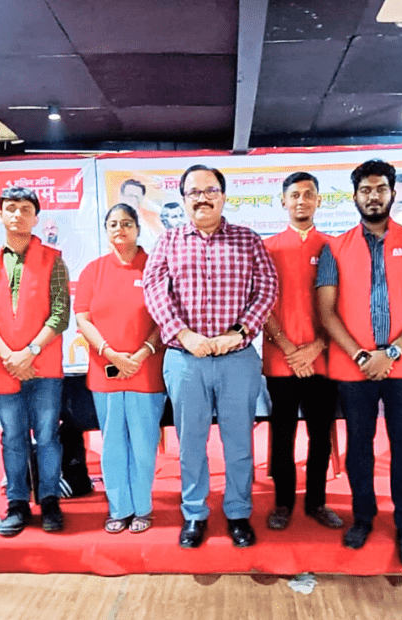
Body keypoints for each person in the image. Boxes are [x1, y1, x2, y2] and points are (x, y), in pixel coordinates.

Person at [142, 164, 278, 549]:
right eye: (194, 192)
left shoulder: (248, 241)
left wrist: (236, 334)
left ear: (223, 195)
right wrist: (184, 334)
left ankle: (237, 512)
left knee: (238, 442)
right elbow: (154, 291)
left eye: (210, 190)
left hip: (237, 358)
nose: (202, 198)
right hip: (185, 359)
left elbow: (267, 289)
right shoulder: (167, 242)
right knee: (191, 442)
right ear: (184, 199)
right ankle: (195, 513)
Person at [316, 159, 402, 569]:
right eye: (366, 190)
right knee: (359, 449)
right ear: (354, 197)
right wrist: (361, 355)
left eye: (380, 189)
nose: (373, 196)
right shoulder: (334, 247)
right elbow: (327, 312)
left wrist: (394, 351)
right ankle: (363, 517)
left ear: (392, 194)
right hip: (355, 367)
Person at [0, 186, 71, 537]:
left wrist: (31, 352)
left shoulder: (53, 258)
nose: (17, 215)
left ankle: (50, 500)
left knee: (47, 436)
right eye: (10, 208)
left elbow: (60, 314)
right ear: (0, 214)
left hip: (44, 365)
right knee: (12, 437)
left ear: (35, 217)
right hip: (3, 365)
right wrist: (11, 357)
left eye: (25, 209)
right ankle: (16, 503)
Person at [74, 204, 166, 534]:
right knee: (112, 443)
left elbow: (164, 318)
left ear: (138, 228)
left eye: (126, 223)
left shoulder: (155, 268)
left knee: (143, 443)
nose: (120, 229)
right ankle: (119, 507)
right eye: (113, 224)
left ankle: (142, 507)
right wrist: (110, 353)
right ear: (106, 229)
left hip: (146, 369)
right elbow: (82, 317)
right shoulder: (93, 271)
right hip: (105, 369)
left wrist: (141, 354)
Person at [261, 172, 343, 531]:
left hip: (323, 358)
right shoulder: (267, 248)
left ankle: (316, 502)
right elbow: (259, 304)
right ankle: (282, 503)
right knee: (282, 434)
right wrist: (290, 350)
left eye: (308, 194)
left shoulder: (334, 247)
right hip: (281, 358)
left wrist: (316, 347)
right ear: (283, 201)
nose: (301, 201)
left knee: (320, 435)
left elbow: (344, 306)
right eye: (294, 195)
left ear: (319, 201)